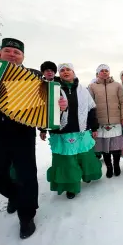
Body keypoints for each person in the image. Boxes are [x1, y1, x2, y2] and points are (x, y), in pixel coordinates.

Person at [0, 38, 68, 239]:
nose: (12, 54)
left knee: (26, 174)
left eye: (16, 52)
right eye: (7, 51)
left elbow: (48, 103)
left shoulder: (34, 75)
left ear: (23, 56)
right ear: (1, 53)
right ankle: (16, 196)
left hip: (22, 132)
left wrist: (61, 106)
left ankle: (27, 216)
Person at [45, 63, 102, 199]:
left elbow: (91, 110)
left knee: (86, 157)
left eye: (68, 70)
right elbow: (44, 111)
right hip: (61, 132)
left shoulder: (83, 90)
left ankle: (87, 175)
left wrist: (94, 128)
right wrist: (42, 129)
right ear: (59, 73)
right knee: (67, 161)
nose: (65, 72)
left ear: (73, 72)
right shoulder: (53, 89)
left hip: (81, 131)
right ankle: (71, 186)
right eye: (62, 70)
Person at [89, 64, 123, 178]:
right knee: (105, 149)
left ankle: (116, 165)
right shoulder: (92, 86)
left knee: (116, 147)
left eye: (107, 70)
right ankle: (109, 167)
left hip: (116, 121)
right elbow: (90, 106)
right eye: (102, 71)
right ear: (98, 73)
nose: (105, 72)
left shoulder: (117, 85)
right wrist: (93, 123)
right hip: (101, 123)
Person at [38, 61, 59, 141]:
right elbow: (39, 108)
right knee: (56, 144)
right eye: (47, 70)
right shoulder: (39, 85)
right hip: (49, 120)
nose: (50, 72)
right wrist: (42, 130)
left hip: (63, 119)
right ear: (43, 73)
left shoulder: (61, 83)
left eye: (52, 70)